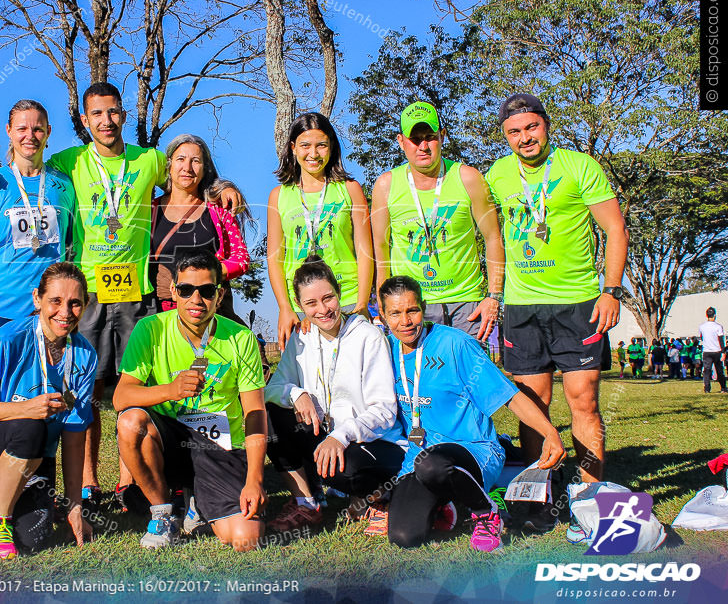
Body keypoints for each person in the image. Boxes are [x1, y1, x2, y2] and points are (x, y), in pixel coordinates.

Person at [0, 83, 243, 505]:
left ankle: (129, 480)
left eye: (113, 112)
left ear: (123, 114)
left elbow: (186, 173)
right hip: (89, 294)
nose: (106, 121)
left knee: (131, 383)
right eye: (97, 114)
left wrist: (220, 187)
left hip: (136, 294)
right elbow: (25, 159)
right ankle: (87, 481)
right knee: (88, 388)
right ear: (84, 121)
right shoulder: (69, 161)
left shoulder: (148, 159)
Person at [486, 93, 627, 530]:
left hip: (578, 303)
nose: (525, 138)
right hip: (523, 307)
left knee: (583, 401)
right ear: (505, 136)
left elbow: (615, 228)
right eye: (514, 132)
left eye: (532, 127)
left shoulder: (579, 165)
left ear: (546, 125)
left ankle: (589, 498)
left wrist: (611, 290)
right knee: (532, 405)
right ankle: (541, 496)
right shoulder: (496, 175)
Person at [378, 276, 566, 552]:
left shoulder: (455, 344)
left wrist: (549, 433)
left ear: (424, 307)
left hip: (472, 450)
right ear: (383, 316)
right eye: (395, 313)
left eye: (412, 310)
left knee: (433, 464)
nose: (405, 321)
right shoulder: (386, 351)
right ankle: (450, 502)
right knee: (404, 536)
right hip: (418, 458)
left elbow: (509, 397)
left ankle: (485, 511)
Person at [113, 250, 267, 551]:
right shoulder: (150, 328)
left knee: (244, 539)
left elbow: (255, 412)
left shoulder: (241, 337)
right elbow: (121, 397)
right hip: (170, 438)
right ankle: (163, 513)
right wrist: (171, 390)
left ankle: (198, 498)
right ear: (174, 291)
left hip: (218, 442)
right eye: (186, 290)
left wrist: (255, 480)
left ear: (219, 295)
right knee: (131, 421)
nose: (196, 300)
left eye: (207, 291)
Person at [0, 263, 96, 559]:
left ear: (85, 305)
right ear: (37, 299)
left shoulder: (85, 354)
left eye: (75, 303)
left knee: (33, 539)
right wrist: (25, 407)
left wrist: (74, 506)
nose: (65, 312)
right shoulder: (6, 339)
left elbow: (75, 435)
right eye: (55, 301)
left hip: (38, 451)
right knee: (31, 423)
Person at [264, 257, 406, 535]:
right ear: (300, 306)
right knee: (270, 418)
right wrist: (297, 393)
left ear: (339, 293)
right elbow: (272, 388)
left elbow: (385, 411)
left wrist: (340, 436)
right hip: (326, 439)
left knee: (348, 466)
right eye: (311, 303)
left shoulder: (369, 336)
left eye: (328, 298)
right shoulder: (300, 338)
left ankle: (378, 498)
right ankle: (307, 502)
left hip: (373, 443)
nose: (322, 310)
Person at [370, 101, 503, 342]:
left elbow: (493, 236)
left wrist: (494, 296)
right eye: (415, 139)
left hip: (466, 304)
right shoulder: (385, 185)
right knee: (416, 378)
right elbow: (380, 246)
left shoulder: (468, 177)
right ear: (401, 141)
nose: (423, 146)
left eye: (430, 137)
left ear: (442, 136)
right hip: (412, 305)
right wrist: (383, 296)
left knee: (467, 379)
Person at [268, 112, 373, 351]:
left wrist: (362, 302)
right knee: (309, 381)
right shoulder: (279, 196)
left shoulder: (350, 189)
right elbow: (275, 259)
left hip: (346, 299)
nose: (313, 154)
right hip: (302, 306)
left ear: (331, 147)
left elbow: (364, 250)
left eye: (321, 145)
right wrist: (285, 307)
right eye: (305, 145)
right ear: (293, 148)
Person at [0, 100, 75, 336]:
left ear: (48, 132)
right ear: (9, 131)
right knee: (0, 373)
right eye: (22, 129)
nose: (30, 136)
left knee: (42, 373)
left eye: (38, 129)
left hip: (49, 308)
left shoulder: (65, 186)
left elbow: (70, 245)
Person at [150, 133, 250, 320]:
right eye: (180, 159)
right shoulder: (150, 211)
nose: (187, 168)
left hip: (208, 311)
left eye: (195, 161)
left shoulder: (219, 210)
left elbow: (241, 259)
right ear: (169, 165)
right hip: (160, 314)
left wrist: (203, 278)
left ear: (205, 168)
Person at [699, 307, 727, 393]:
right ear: (714, 315)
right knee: (719, 370)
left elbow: (702, 337)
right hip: (717, 351)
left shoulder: (702, 327)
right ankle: (723, 387)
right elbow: (721, 340)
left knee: (707, 371)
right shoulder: (718, 326)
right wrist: (723, 352)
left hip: (706, 351)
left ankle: (707, 389)